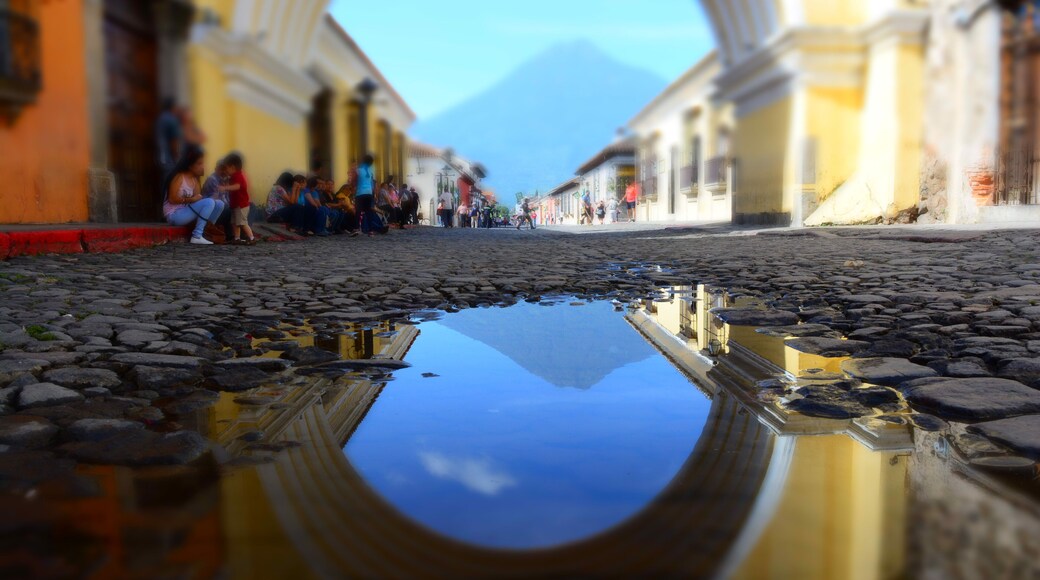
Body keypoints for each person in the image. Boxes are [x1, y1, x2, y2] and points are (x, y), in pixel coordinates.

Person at [161, 145, 225, 245]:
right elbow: (172, 199)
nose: (203, 166)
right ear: (190, 165)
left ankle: (206, 232)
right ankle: (196, 236)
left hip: (187, 213)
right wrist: (191, 199)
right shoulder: (179, 177)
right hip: (175, 215)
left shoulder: (195, 180)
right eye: (199, 163)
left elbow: (199, 201)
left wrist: (210, 197)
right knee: (209, 202)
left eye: (203, 163)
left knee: (219, 204)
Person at [224, 152, 256, 245]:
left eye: (226, 168)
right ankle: (237, 238)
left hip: (241, 205)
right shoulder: (233, 176)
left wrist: (225, 187)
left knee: (242, 223)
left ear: (232, 167)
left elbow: (237, 186)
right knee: (235, 223)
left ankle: (252, 238)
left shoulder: (238, 176)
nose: (226, 170)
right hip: (235, 204)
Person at [200, 156, 232, 241]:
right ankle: (231, 236)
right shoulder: (212, 180)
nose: (224, 171)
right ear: (216, 169)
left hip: (223, 208)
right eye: (221, 169)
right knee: (231, 210)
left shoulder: (226, 179)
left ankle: (243, 234)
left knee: (250, 206)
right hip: (213, 212)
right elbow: (219, 201)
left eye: (225, 169)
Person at [156, 99, 183, 176]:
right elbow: (174, 141)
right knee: (171, 179)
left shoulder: (159, 119)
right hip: (169, 159)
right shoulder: (172, 119)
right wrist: (177, 156)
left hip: (160, 157)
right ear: (172, 107)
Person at [355, 154, 379, 237]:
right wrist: (374, 194)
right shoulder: (371, 171)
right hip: (369, 193)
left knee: (358, 211)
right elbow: (372, 183)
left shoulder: (358, 170)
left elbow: (354, 181)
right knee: (368, 212)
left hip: (360, 192)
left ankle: (357, 228)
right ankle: (371, 231)